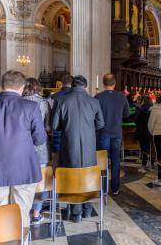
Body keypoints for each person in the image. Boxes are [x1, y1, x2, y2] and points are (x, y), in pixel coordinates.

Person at [0, 70, 47, 228]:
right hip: (24, 167)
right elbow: (40, 139)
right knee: (21, 214)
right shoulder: (31, 107)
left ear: (1, 86)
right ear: (22, 88)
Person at [52, 75, 105, 222]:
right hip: (89, 143)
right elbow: (101, 123)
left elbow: (55, 126)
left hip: (69, 143)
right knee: (87, 172)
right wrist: (87, 129)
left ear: (72, 85)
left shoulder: (61, 100)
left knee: (72, 172)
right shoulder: (94, 101)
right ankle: (87, 210)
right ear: (85, 86)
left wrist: (69, 127)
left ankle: (75, 213)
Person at [22, 77, 52, 225]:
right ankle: (36, 213)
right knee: (42, 181)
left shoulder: (18, 102)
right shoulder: (44, 103)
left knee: (23, 181)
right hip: (40, 148)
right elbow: (48, 126)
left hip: (22, 147)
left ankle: (24, 211)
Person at [95, 74, 130, 195]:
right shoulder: (122, 97)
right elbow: (126, 114)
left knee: (103, 160)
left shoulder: (98, 97)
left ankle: (103, 188)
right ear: (114, 84)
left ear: (104, 84)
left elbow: (95, 116)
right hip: (116, 132)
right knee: (115, 160)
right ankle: (115, 188)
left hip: (103, 132)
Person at [50, 75, 73, 153]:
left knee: (57, 154)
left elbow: (49, 113)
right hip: (72, 129)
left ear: (61, 83)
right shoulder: (76, 97)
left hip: (57, 129)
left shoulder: (52, 97)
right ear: (72, 83)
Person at [135, 96, 153, 173]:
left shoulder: (140, 110)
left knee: (143, 149)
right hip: (150, 131)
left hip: (142, 131)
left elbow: (136, 120)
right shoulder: (153, 110)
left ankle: (143, 165)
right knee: (151, 149)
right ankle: (151, 165)